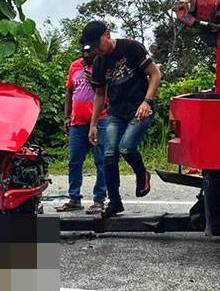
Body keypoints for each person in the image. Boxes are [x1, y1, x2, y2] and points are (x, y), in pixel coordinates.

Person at [82, 21, 163, 217]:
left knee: (125, 147)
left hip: (140, 109)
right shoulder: (100, 62)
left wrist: (147, 101)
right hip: (116, 113)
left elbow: (155, 74)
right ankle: (115, 203)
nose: (97, 50)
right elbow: (100, 95)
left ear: (107, 34)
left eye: (97, 44)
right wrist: (93, 124)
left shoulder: (131, 47)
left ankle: (142, 174)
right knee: (109, 154)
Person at [56, 46, 109, 214]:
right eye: (83, 52)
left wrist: (94, 80)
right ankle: (74, 199)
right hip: (77, 122)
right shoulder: (75, 66)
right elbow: (69, 92)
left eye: (90, 52)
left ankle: (99, 200)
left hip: (100, 121)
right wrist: (66, 117)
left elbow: (108, 94)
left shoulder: (104, 66)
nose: (86, 55)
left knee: (101, 161)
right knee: (74, 161)